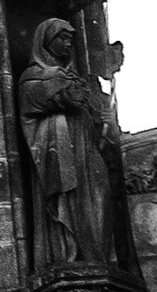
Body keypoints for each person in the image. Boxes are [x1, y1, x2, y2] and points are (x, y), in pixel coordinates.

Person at [16, 17, 117, 269]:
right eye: (62, 38)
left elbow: (91, 118)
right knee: (67, 200)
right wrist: (69, 92)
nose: (68, 44)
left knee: (101, 194)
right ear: (46, 41)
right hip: (60, 152)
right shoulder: (33, 76)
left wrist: (103, 123)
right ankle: (68, 255)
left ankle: (98, 259)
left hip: (85, 149)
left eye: (70, 39)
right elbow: (43, 99)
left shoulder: (74, 78)